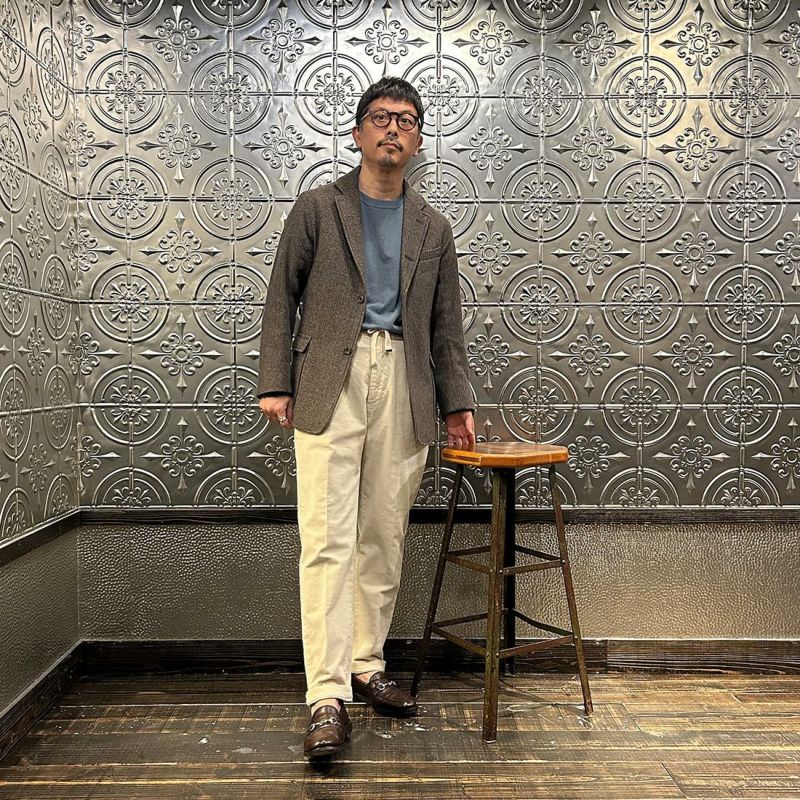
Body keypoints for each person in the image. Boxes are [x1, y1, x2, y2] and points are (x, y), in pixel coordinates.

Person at [256, 76, 475, 759]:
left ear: (418, 141)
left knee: (383, 534)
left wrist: (458, 403)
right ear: (357, 133)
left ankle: (365, 663)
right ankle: (325, 695)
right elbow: (281, 295)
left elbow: (446, 326)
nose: (393, 129)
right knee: (327, 539)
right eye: (381, 117)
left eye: (406, 120)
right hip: (330, 378)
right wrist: (275, 381)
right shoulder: (318, 208)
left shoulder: (434, 227)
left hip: (406, 380)